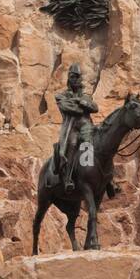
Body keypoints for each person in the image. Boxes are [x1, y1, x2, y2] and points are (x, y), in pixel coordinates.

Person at [54, 63, 98, 192]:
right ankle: (68, 178)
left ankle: (106, 179)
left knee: (93, 142)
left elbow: (94, 108)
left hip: (86, 125)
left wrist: (80, 102)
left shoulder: (86, 97)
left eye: (77, 77)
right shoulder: (61, 96)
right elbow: (70, 109)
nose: (75, 79)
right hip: (71, 128)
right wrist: (82, 106)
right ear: (69, 78)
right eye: (73, 76)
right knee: (72, 144)